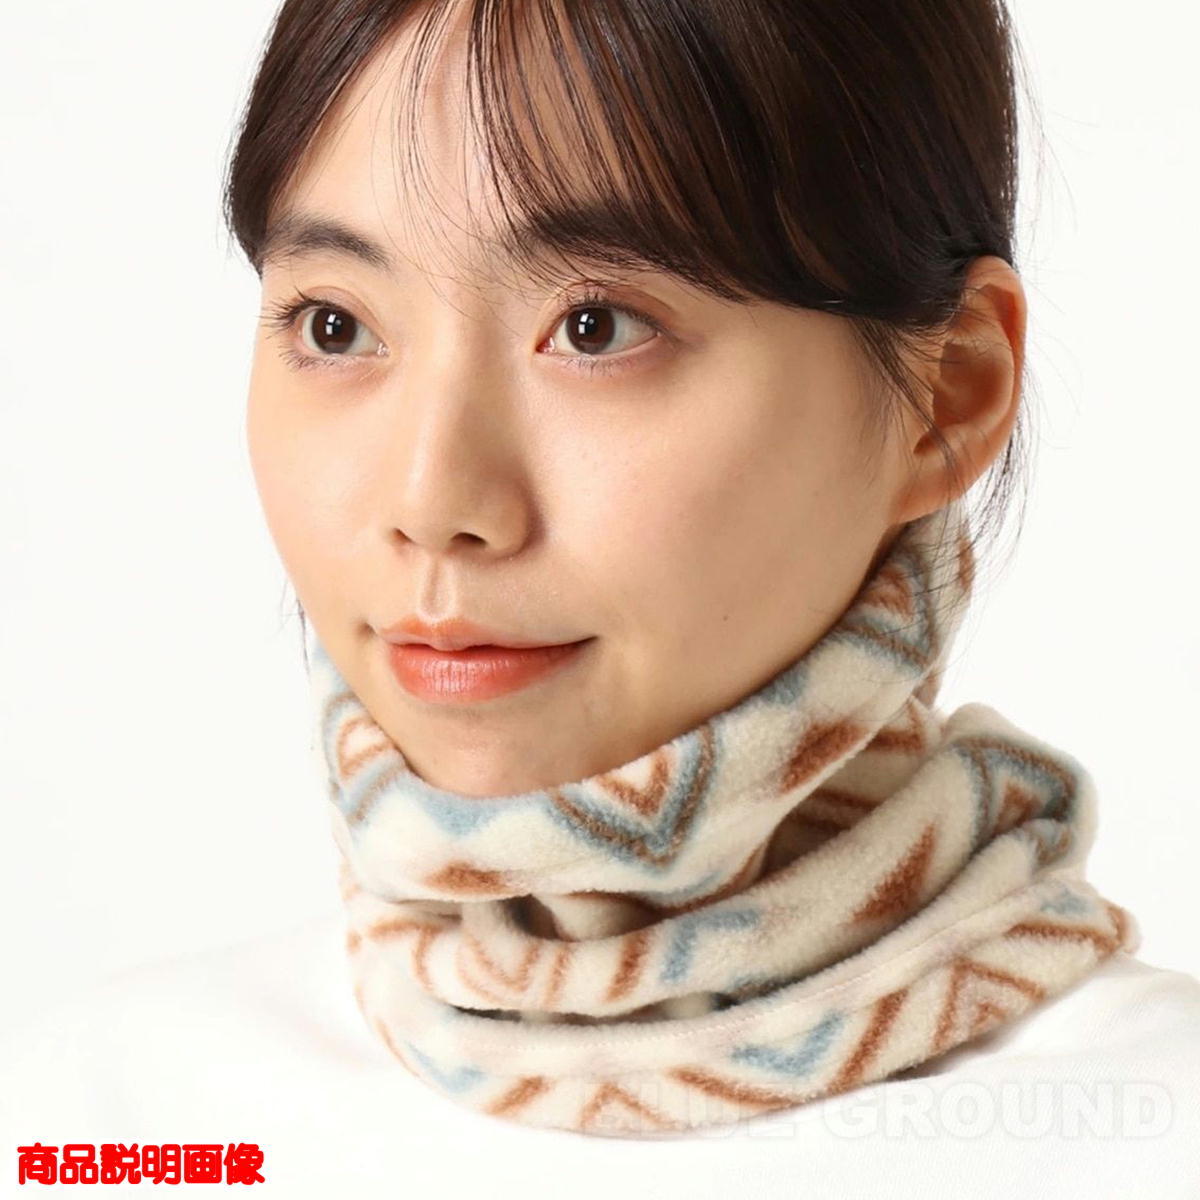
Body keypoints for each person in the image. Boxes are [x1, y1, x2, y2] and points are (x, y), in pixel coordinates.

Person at [4, 0, 1198, 1194]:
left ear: (949, 397)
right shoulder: (108, 1120)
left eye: (595, 326)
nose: (433, 500)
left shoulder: (1151, 1135)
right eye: (337, 325)